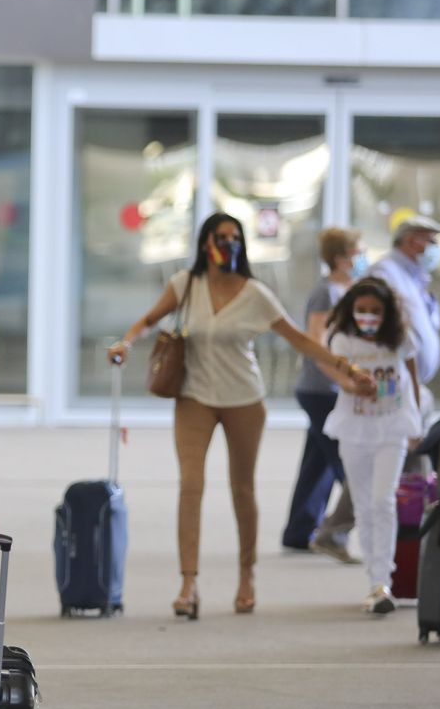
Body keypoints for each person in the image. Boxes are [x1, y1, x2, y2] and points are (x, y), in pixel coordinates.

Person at [109, 214, 373, 619]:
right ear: (205, 243)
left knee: (242, 490)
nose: (228, 244)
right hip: (194, 398)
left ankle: (247, 575)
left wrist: (346, 368)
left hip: (244, 402)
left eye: (235, 238)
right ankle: (188, 583)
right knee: (191, 485)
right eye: (221, 237)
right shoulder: (185, 285)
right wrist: (126, 343)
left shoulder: (255, 293)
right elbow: (147, 320)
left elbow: (301, 339)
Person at [319, 278, 421, 615]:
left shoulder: (400, 340)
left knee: (384, 500)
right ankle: (373, 583)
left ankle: (383, 579)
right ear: (351, 310)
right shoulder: (342, 341)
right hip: (355, 429)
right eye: (361, 310)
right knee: (363, 505)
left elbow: (412, 377)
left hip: (392, 427)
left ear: (387, 313)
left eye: (375, 311)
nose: (368, 317)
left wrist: (416, 422)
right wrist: (353, 385)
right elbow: (338, 376)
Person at [281, 228, 364, 563]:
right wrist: (342, 381)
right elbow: (315, 342)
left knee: (317, 463)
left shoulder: (349, 290)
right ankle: (335, 532)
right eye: (358, 252)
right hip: (322, 389)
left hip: (332, 387)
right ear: (341, 258)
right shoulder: (326, 292)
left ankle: (299, 532)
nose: (362, 258)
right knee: (349, 463)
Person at [369, 213, 440, 422]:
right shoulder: (384, 274)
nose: (436, 249)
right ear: (412, 241)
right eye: (431, 241)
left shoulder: (414, 277)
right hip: (393, 386)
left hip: (412, 384)